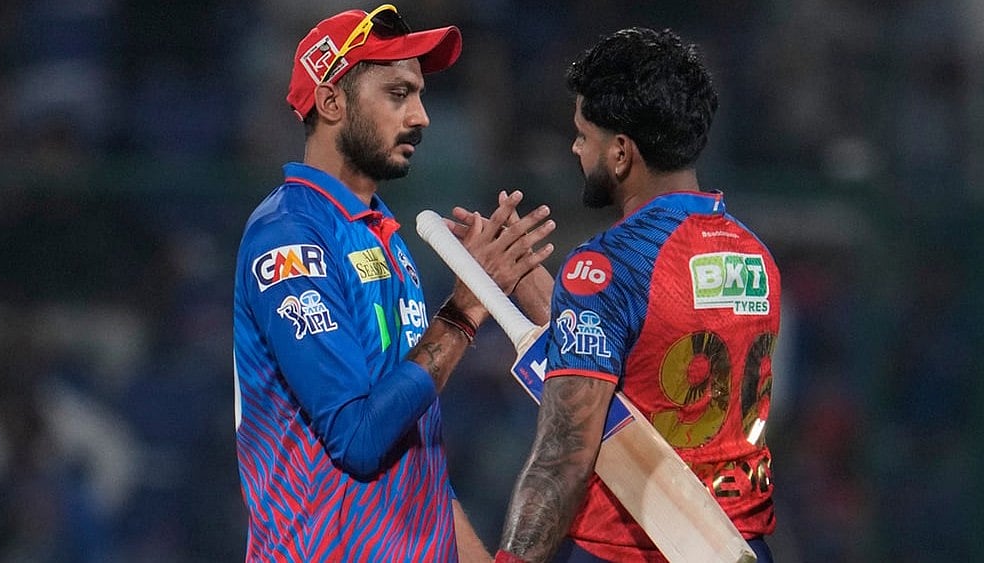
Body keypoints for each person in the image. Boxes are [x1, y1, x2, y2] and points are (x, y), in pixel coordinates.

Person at [232, 5, 555, 561]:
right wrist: (463, 312)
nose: (422, 116)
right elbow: (359, 438)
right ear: (332, 101)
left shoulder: (384, 239)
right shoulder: (289, 238)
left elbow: (413, 452)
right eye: (398, 94)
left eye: (420, 95)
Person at [473, 27, 781, 563]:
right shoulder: (754, 255)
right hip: (739, 544)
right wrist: (525, 280)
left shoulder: (607, 265)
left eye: (582, 134)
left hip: (625, 549)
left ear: (620, 152)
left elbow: (563, 458)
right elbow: (639, 355)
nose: (574, 147)